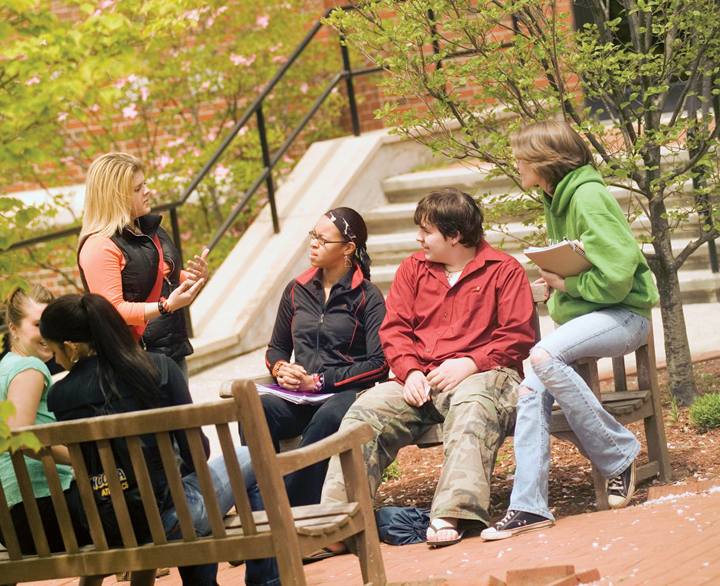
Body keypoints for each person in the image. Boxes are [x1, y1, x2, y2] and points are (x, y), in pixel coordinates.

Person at [319, 188, 536, 551]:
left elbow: (518, 334)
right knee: (363, 414)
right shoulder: (413, 269)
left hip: (484, 375)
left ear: (455, 236)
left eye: (426, 231)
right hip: (421, 379)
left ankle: (453, 513)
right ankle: (339, 525)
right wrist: (410, 371)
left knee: (473, 404)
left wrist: (470, 362)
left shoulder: (504, 270)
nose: (418, 238)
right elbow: (394, 329)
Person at [481, 120, 659, 541]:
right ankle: (529, 505)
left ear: (545, 161)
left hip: (626, 315)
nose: (516, 163)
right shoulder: (556, 198)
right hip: (593, 318)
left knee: (542, 356)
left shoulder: (587, 197)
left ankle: (619, 453)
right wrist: (559, 282)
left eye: (521, 157)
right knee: (530, 387)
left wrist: (567, 284)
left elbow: (618, 276)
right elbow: (585, 262)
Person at [42, 293, 279, 586]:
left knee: (182, 491)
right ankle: (264, 582)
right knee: (251, 456)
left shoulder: (60, 396)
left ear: (71, 346)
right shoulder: (160, 369)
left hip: (107, 529)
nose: (56, 360)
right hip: (171, 521)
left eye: (55, 352)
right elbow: (198, 453)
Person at [260, 207, 387, 507]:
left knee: (327, 418)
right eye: (313, 235)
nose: (313, 243)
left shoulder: (368, 296)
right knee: (257, 410)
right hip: (299, 398)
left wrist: (318, 381)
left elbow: (379, 364)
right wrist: (281, 369)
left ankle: (291, 511)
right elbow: (276, 348)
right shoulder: (296, 290)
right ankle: (260, 504)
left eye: (323, 239)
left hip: (347, 395)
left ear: (348, 249)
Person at [77, 152, 207, 380]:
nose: (147, 191)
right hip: (137, 360)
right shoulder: (99, 245)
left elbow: (162, 277)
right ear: (114, 197)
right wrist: (165, 306)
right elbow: (113, 310)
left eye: (144, 184)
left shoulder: (151, 230)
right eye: (137, 189)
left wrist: (193, 278)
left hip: (173, 349)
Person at [0, 284, 87, 554]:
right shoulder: (30, 367)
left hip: (15, 515)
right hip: (36, 511)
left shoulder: (6, 369)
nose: (47, 332)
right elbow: (20, 437)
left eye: (50, 324)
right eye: (38, 324)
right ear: (14, 329)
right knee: (131, 506)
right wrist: (80, 459)